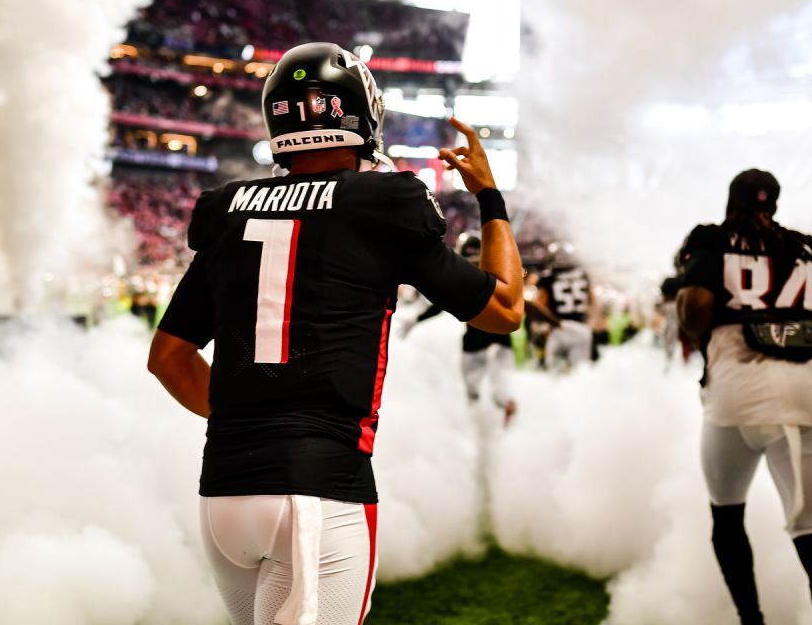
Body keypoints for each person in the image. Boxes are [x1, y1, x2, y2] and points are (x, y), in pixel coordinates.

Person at [147, 42, 523, 625]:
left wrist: (248, 419)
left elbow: (169, 357)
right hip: (317, 489)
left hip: (224, 491)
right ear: (359, 115)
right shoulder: (385, 201)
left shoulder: (227, 208)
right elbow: (503, 309)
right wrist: (490, 198)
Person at [675, 169, 812, 625]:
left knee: (727, 517)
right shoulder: (809, 250)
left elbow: (695, 308)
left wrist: (720, 324)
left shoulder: (714, 240)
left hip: (732, 398)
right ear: (774, 203)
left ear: (731, 201)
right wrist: (783, 324)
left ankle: (750, 618)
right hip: (799, 400)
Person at [404, 232, 519, 424]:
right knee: (501, 392)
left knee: (472, 393)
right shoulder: (498, 270)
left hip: (475, 339)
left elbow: (441, 302)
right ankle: (510, 424)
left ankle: (478, 431)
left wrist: (417, 319)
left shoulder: (464, 274)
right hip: (503, 338)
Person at [530, 241, 598, 372]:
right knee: (580, 374)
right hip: (581, 328)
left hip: (559, 327)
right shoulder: (583, 275)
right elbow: (593, 304)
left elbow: (540, 306)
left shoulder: (547, 278)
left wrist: (539, 328)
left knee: (556, 374)